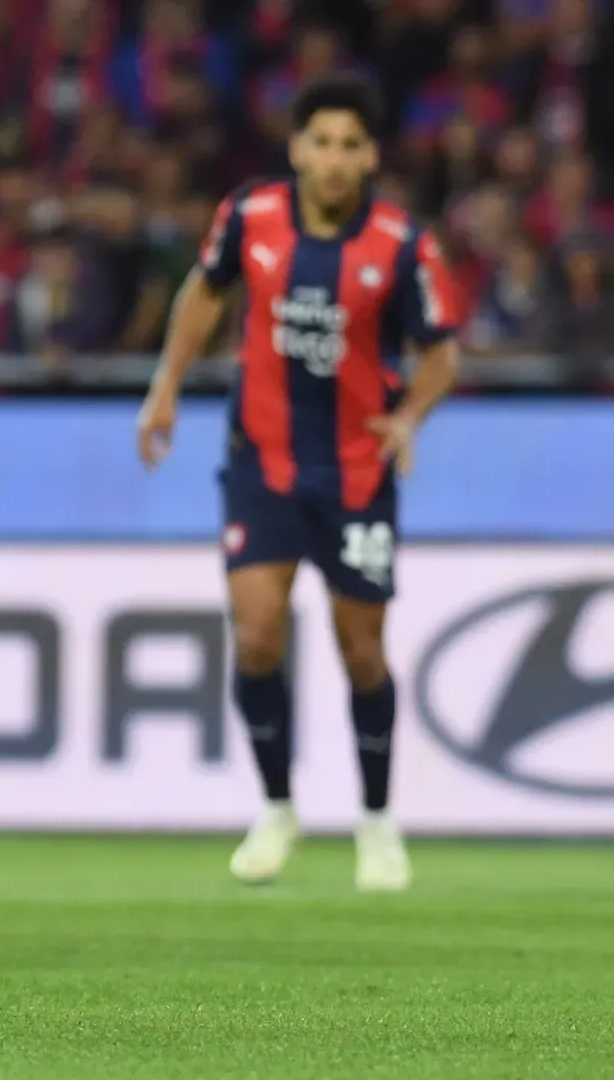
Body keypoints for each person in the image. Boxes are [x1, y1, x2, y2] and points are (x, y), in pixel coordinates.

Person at [136, 74, 460, 892]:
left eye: (352, 144)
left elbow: (442, 353)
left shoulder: (401, 242)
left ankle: (378, 822)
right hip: (263, 463)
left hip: (356, 472)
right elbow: (204, 293)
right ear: (297, 148)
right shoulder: (251, 216)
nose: (335, 159)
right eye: (322, 141)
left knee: (362, 652)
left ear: (371, 154)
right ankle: (278, 807)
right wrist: (167, 384)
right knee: (257, 635)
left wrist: (407, 420)